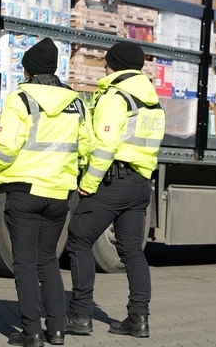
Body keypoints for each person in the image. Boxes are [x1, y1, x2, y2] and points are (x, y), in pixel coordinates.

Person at [0, 37, 94, 347]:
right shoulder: (76, 102)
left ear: (29, 70)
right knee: (47, 260)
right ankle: (57, 330)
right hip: (59, 194)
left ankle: (32, 332)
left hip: (24, 192)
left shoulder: (20, 99)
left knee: (24, 262)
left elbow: (6, 147)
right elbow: (86, 147)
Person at [65, 40, 165, 338]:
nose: (104, 67)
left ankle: (80, 315)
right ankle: (138, 318)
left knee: (79, 240)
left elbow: (107, 145)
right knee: (132, 251)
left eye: (107, 62)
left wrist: (88, 183)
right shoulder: (153, 101)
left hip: (113, 181)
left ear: (117, 64)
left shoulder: (115, 96)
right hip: (140, 184)